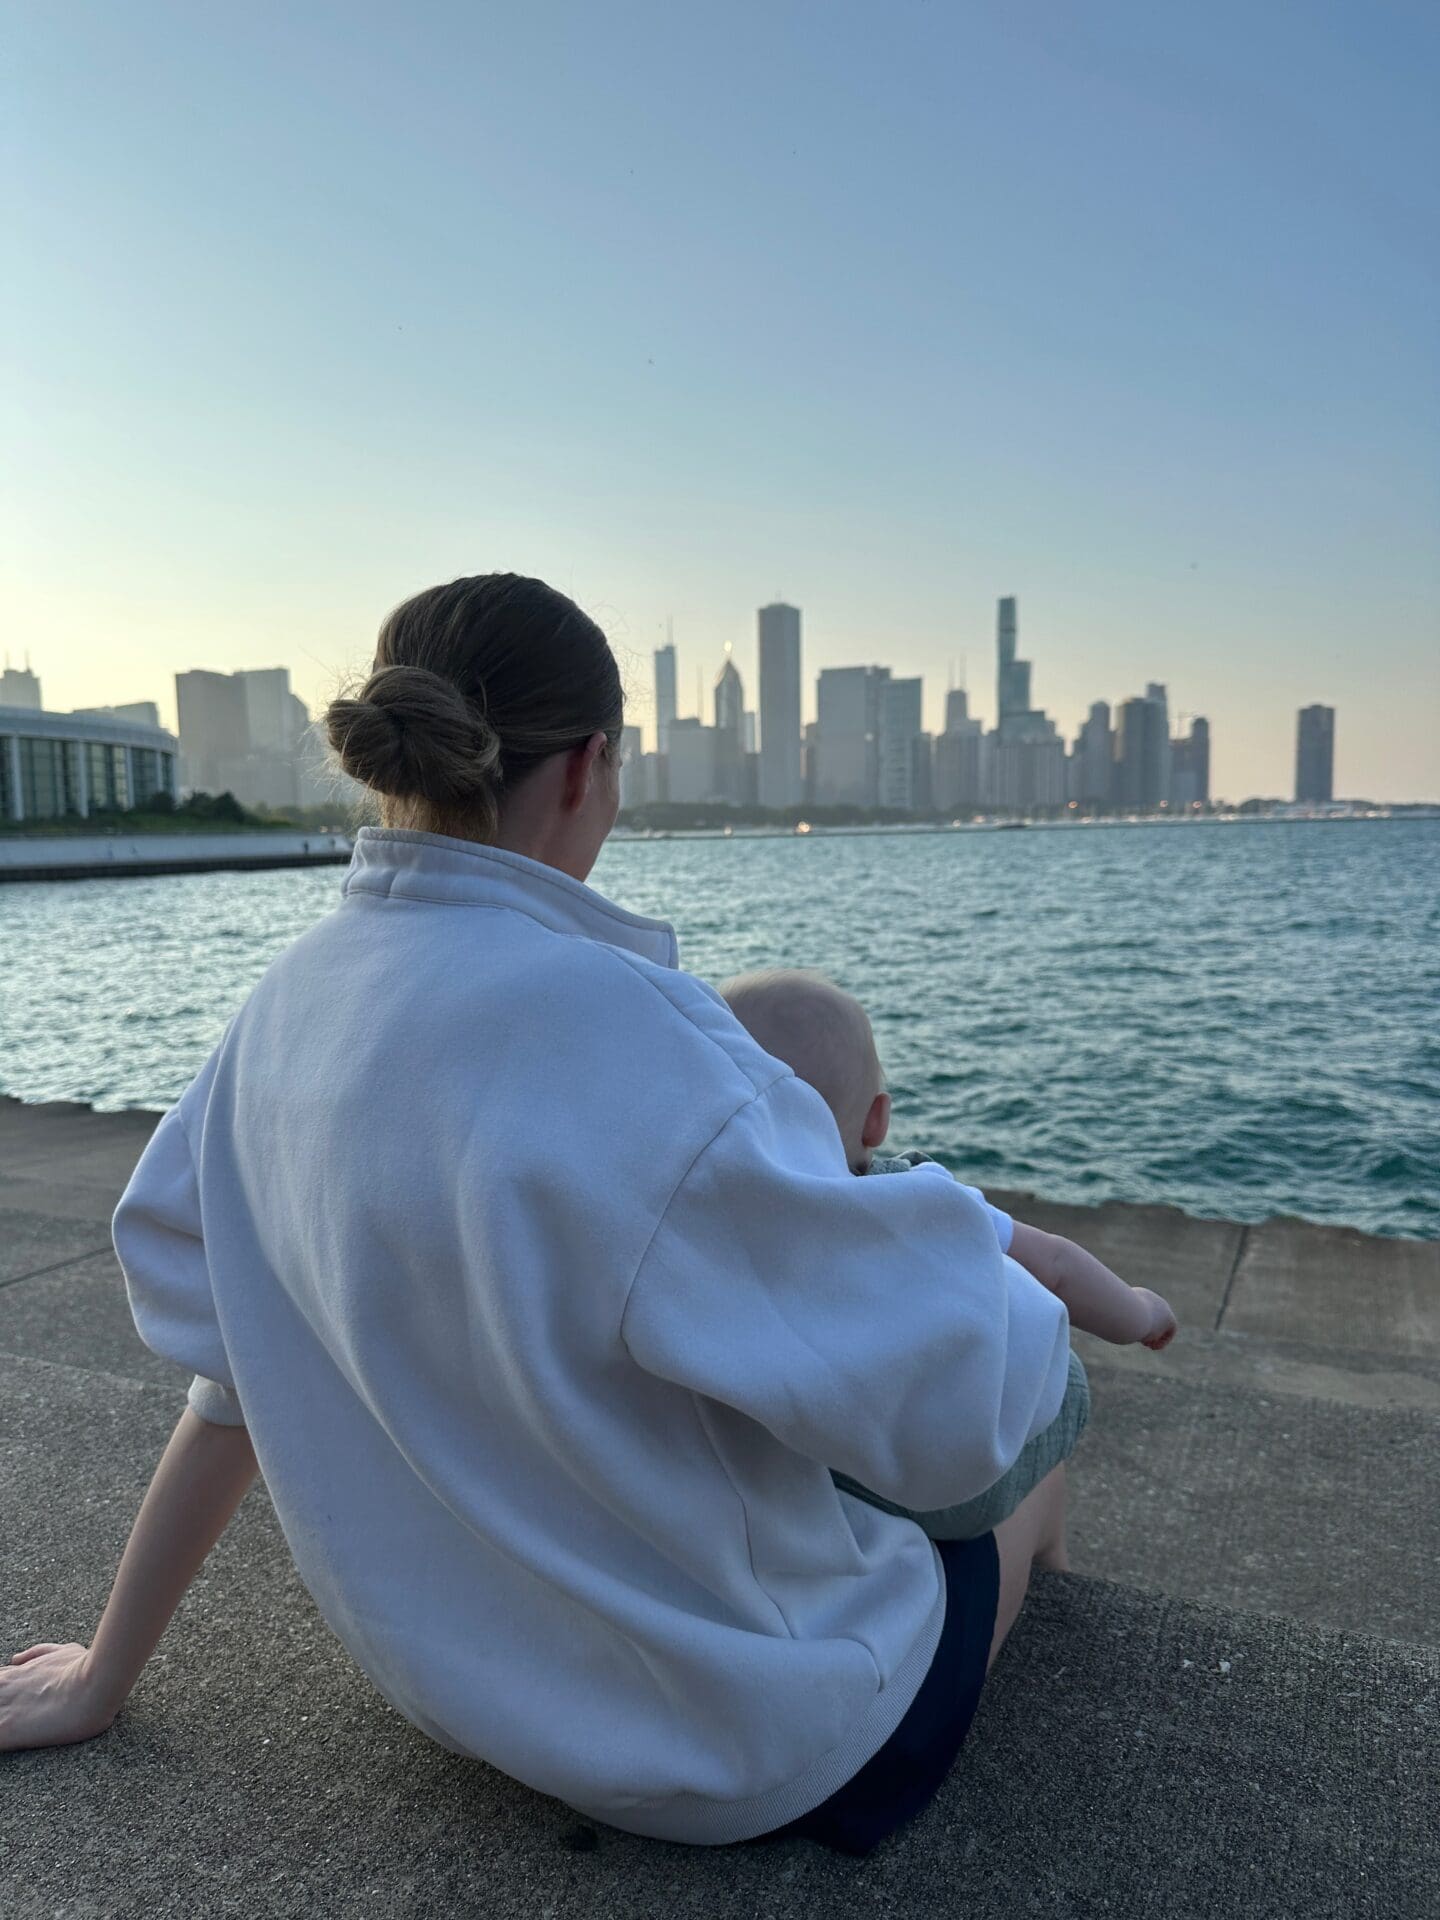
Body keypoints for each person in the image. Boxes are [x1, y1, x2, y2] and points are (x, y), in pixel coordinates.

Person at [0, 573, 1071, 1858]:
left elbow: (233, 1377)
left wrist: (101, 1673)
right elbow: (958, 1409)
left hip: (457, 1701)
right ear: (589, 768)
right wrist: (1006, 1262)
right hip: (746, 1747)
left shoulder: (279, 1013)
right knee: (1038, 1442)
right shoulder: (649, 1044)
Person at [720, 968, 1178, 1543]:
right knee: (1063, 1383)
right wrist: (1141, 1311)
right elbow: (1057, 1267)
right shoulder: (918, 1197)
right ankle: (1050, 1562)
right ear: (877, 1119)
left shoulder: (719, 1224)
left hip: (832, 1475)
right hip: (962, 1487)